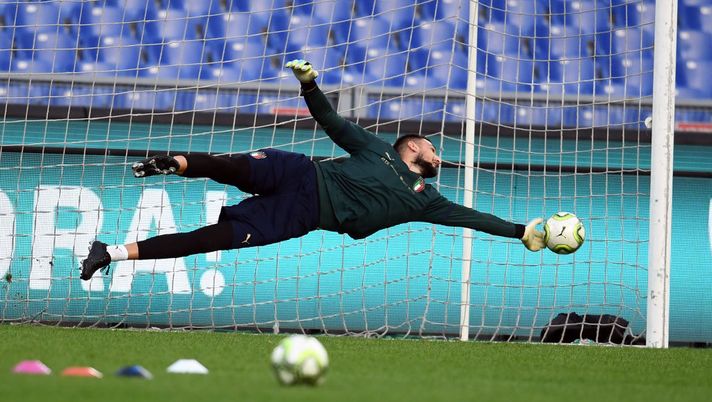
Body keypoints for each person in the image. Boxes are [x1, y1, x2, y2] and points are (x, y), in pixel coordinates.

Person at [80, 59, 545, 281]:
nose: (439, 156)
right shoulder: (376, 148)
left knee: (209, 241)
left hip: (303, 217)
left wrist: (522, 230)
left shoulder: (427, 198)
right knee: (231, 167)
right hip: (301, 174)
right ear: (413, 146)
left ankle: (111, 253)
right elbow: (332, 121)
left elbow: (473, 218)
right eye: (434, 149)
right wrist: (310, 85)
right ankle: (174, 162)